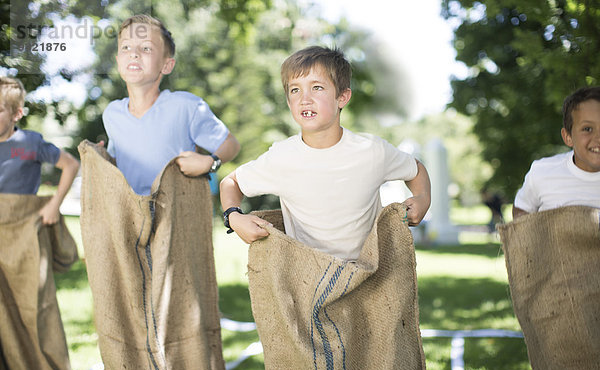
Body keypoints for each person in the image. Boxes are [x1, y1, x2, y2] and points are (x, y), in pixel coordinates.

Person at [220, 46, 431, 260]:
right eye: (295, 90)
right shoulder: (282, 157)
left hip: (369, 277)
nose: (305, 98)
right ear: (288, 102)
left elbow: (416, 170)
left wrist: (423, 199)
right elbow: (231, 182)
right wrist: (233, 216)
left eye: (317, 87)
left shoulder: (372, 151)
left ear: (342, 97)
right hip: (308, 281)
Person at [102, 14, 240, 195]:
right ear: (118, 60)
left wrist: (210, 162)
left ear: (166, 65)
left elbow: (231, 144)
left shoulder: (186, 106)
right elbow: (115, 159)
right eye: (126, 47)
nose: (134, 53)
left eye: (146, 48)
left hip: (176, 212)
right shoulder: (112, 113)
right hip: (130, 216)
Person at [513, 86, 600, 219]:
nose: (598, 138)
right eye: (587, 129)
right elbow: (521, 208)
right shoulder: (542, 172)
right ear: (568, 137)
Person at [0, 76, 79, 220]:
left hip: (21, 227)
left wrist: (55, 205)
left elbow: (71, 165)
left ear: (16, 114)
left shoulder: (31, 143)